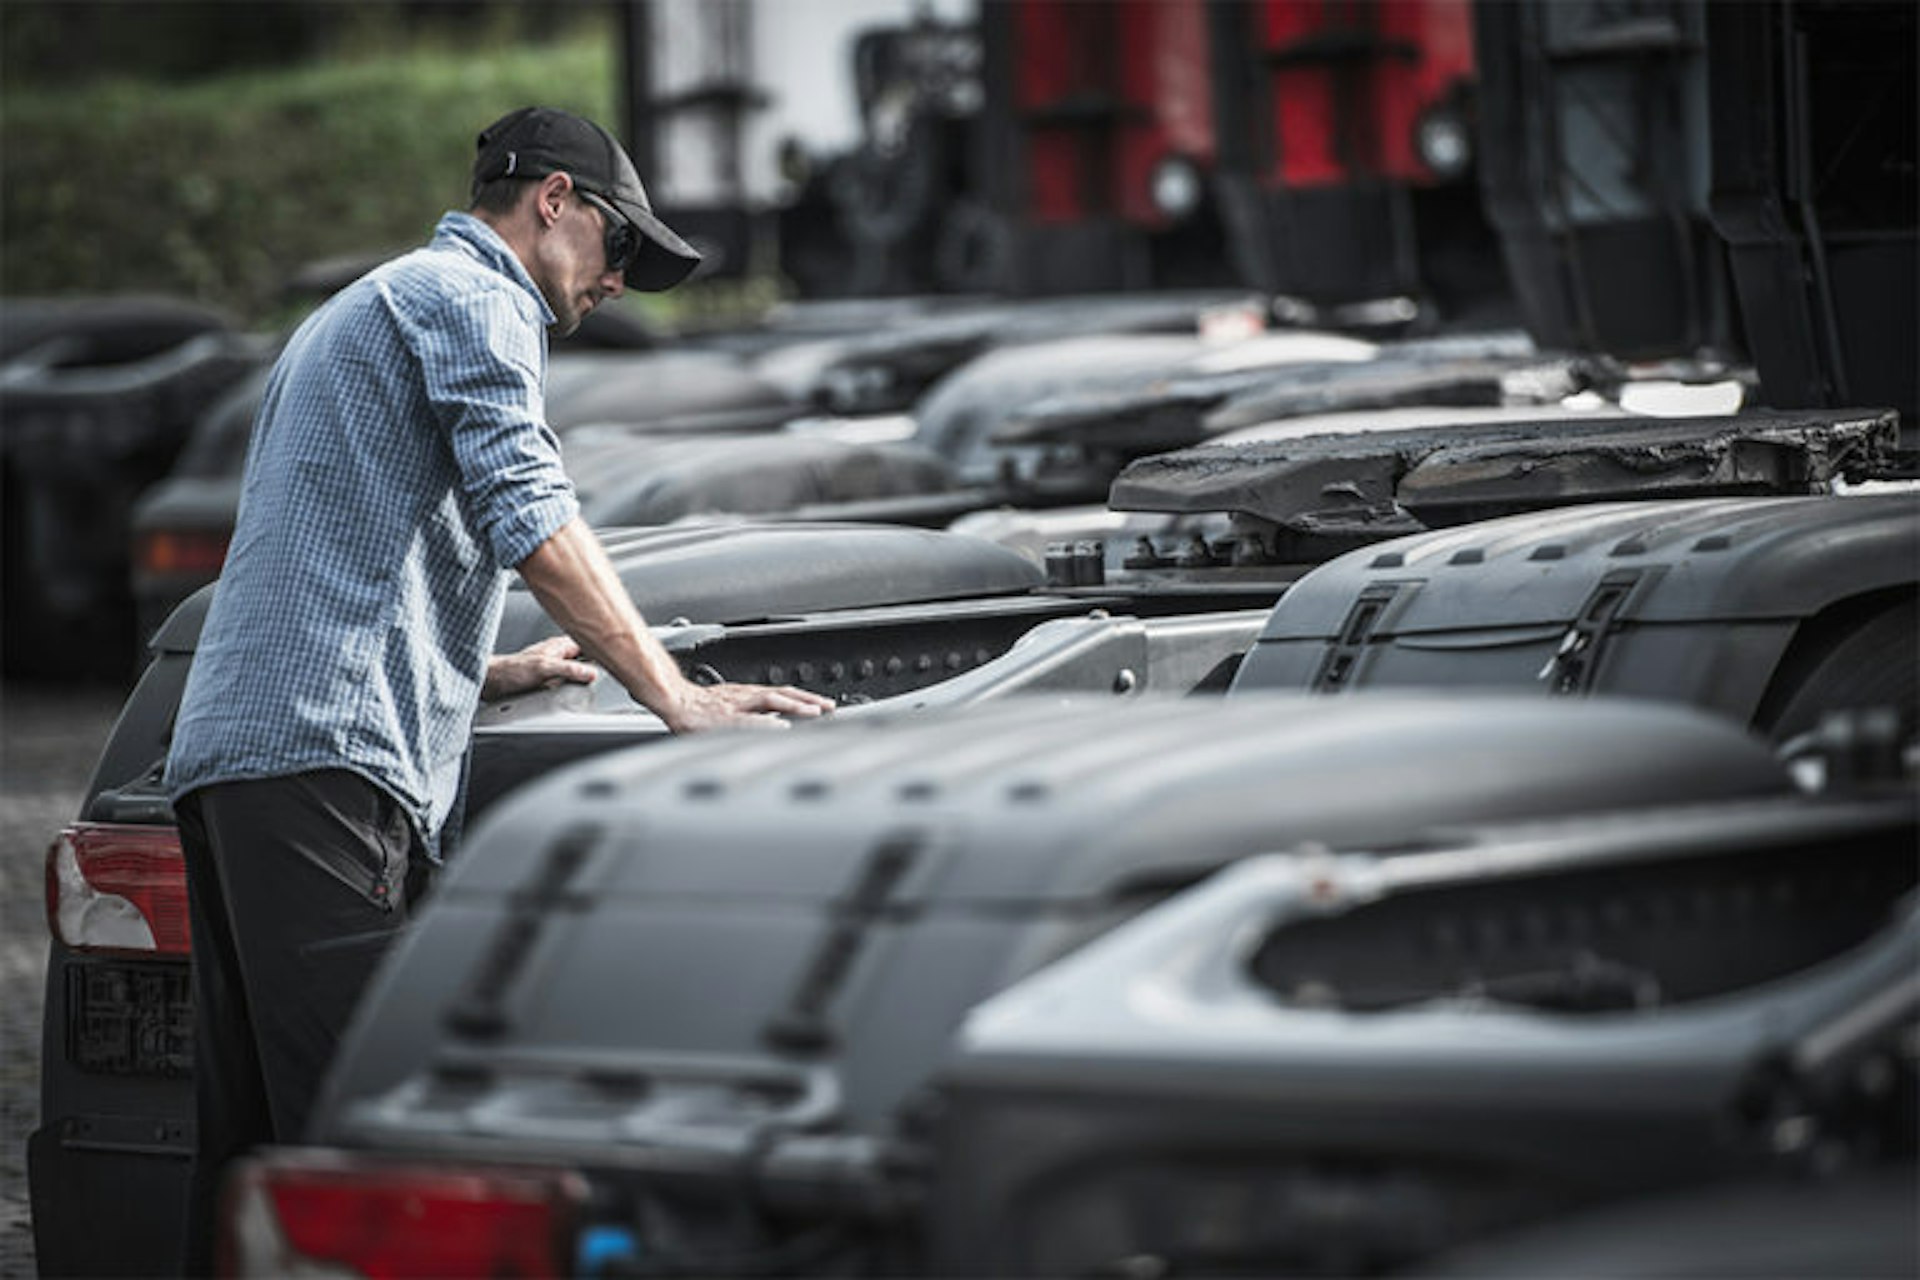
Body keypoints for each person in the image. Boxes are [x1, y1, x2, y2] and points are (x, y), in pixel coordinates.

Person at [163, 106, 834, 1273]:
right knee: (363, 1147)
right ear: (555, 201)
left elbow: (325, 547)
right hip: (325, 762)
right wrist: (674, 693)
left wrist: (475, 664)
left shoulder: (368, 305)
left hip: (251, 756)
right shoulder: (475, 298)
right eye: (620, 247)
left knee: (256, 1153)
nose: (619, 283)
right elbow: (531, 513)